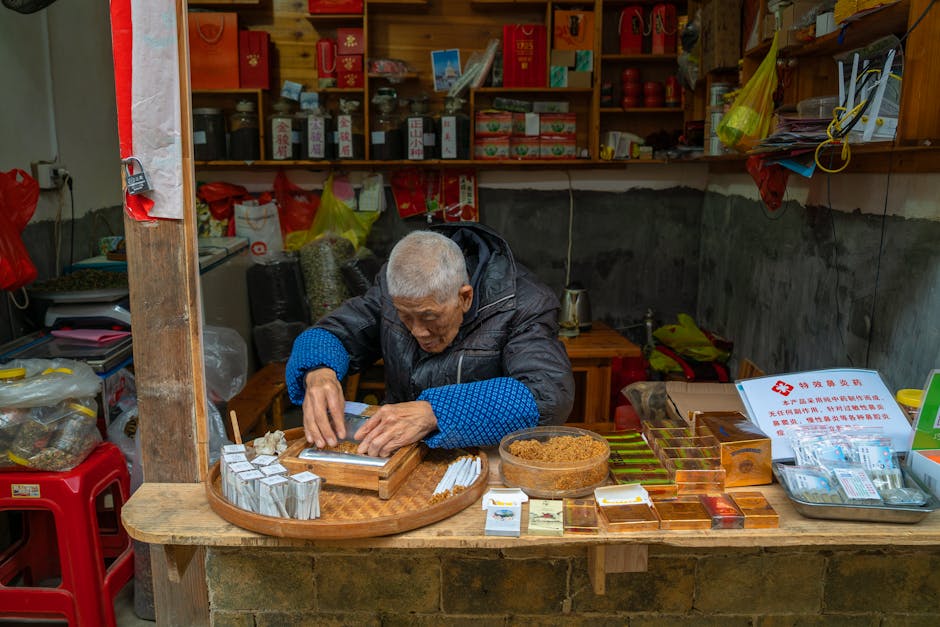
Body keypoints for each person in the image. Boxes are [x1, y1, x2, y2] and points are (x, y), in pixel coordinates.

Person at [285, 222, 575, 457]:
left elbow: (547, 394)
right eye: (405, 317)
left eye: (429, 317)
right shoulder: (395, 288)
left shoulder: (523, 303)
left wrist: (434, 412)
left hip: (486, 457)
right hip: (398, 451)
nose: (417, 331)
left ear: (464, 297)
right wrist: (318, 371)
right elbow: (338, 331)